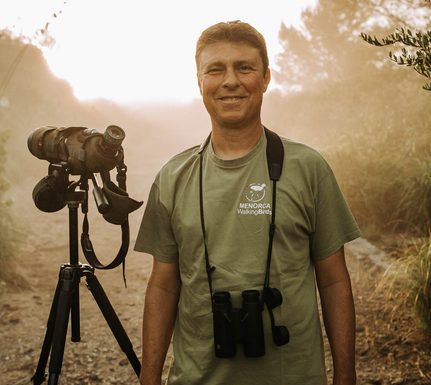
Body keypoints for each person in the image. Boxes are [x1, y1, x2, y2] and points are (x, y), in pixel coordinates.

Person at [134, 20, 361, 385]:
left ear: (266, 77)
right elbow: (163, 285)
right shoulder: (173, 177)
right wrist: (149, 377)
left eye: (244, 67)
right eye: (215, 69)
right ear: (199, 81)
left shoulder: (308, 168)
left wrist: (346, 376)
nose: (230, 81)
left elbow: (334, 281)